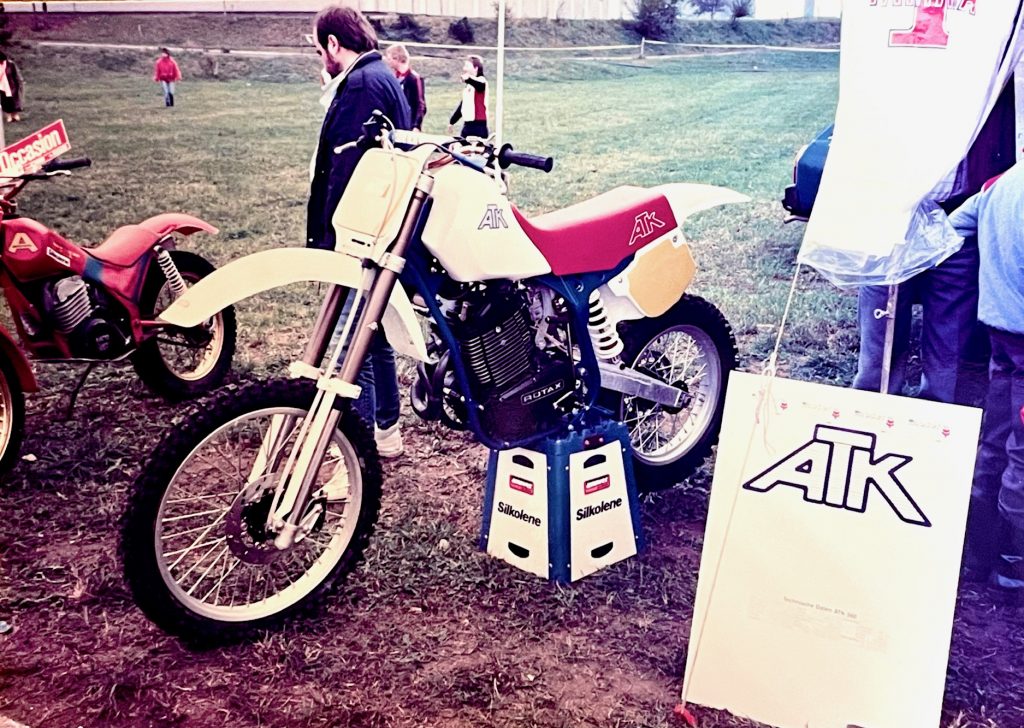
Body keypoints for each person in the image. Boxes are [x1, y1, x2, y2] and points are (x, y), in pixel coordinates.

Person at [851, 80, 1017, 404]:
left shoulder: (984, 76)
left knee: (950, 339)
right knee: (880, 334)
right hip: (889, 216)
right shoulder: (893, 81)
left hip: (957, 216)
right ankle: (869, 413)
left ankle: (936, 422)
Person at [308, 4, 411, 458]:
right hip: (378, 229)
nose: (320, 59)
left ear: (334, 43)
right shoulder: (378, 75)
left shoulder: (362, 84)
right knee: (375, 334)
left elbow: (347, 174)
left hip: (362, 234)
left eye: (319, 50)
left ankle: (356, 449)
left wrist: (336, 241)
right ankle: (385, 430)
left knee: (354, 345)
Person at [948, 163, 1024, 601]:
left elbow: (952, 230)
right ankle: (1013, 569)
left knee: (995, 444)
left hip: (1000, 335)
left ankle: (976, 556)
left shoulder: (1000, 185)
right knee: (1021, 456)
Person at [384, 43, 426, 132]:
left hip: (409, 125)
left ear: (396, 58)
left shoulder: (414, 78)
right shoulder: (394, 78)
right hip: (395, 124)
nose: (388, 62)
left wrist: (416, 126)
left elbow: (420, 105)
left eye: (389, 59)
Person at [447, 54, 488, 138]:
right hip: (468, 125)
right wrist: (452, 121)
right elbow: (463, 105)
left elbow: (480, 86)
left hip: (478, 125)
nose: (464, 69)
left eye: (467, 66)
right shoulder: (469, 86)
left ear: (476, 68)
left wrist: (468, 79)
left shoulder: (481, 80)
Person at [0, 52, 24, 123]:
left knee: (14, 100)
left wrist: (20, 83)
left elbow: (16, 74)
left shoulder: (10, 64)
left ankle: (15, 114)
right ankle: (9, 116)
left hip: (12, 85)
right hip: (2, 86)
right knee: (5, 101)